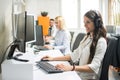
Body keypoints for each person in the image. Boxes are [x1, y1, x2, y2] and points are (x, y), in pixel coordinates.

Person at [42, 10, 107, 80]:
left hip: (88, 78)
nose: (85, 25)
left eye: (88, 22)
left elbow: (94, 67)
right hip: (79, 73)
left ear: (97, 23)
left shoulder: (101, 42)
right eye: (84, 22)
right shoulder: (87, 37)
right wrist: (52, 58)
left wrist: (71, 68)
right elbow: (73, 55)